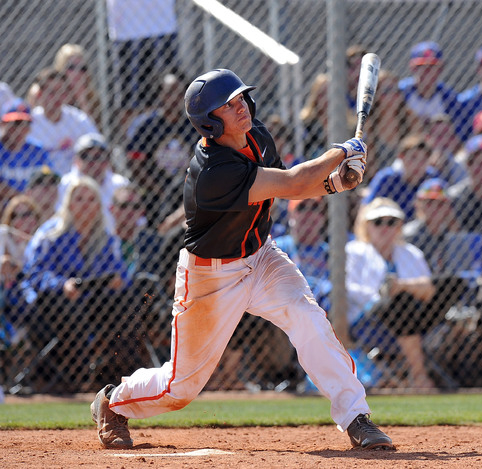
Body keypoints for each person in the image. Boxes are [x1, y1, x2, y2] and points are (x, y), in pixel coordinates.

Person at [89, 69, 393, 451]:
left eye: (240, 100)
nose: (241, 108)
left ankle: (356, 419)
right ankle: (113, 402)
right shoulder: (213, 171)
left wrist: (337, 182)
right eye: (228, 106)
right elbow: (295, 182)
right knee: (181, 386)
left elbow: (285, 184)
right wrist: (341, 152)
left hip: (262, 257)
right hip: (211, 277)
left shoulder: (256, 136)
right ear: (209, 123)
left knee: (308, 319)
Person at [20, 176, 127, 392]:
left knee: (128, 300)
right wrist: (62, 285)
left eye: (91, 200)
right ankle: (74, 376)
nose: (85, 205)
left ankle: (118, 373)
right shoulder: (50, 234)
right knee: (70, 307)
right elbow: (33, 274)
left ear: (98, 206)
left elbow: (120, 272)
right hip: (49, 303)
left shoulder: (103, 237)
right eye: (79, 199)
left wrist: (119, 281)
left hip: (91, 302)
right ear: (68, 203)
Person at [346, 197, 436, 388]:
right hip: (368, 319)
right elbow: (350, 290)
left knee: (450, 285)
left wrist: (401, 286)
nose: (384, 228)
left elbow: (429, 288)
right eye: (378, 222)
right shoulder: (354, 251)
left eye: (391, 222)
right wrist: (384, 295)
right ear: (367, 226)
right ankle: (419, 375)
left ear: (399, 226)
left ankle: (415, 375)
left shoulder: (411, 253)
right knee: (401, 303)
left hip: (415, 314)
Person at [124, 71, 193, 232]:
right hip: (154, 196)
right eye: (169, 92)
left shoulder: (193, 126)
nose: (174, 98)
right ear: (160, 95)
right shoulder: (147, 126)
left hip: (189, 195)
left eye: (179, 93)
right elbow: (135, 164)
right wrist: (161, 191)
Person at [27, 67, 98, 176]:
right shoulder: (30, 123)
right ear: (40, 94)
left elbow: (97, 146)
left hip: (76, 181)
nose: (57, 97)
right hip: (44, 183)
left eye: (61, 92)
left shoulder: (78, 119)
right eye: (52, 92)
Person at [58, 133, 129, 233]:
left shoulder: (120, 184)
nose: (93, 162)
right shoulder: (66, 184)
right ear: (76, 160)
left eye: (98, 156)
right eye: (85, 156)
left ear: (107, 160)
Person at [361, 134, 439, 220]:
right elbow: (365, 208)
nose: (418, 165)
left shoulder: (432, 179)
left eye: (423, 159)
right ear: (401, 157)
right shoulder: (387, 178)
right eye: (413, 157)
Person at [398, 41, 459, 134]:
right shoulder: (402, 91)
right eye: (421, 66)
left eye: (432, 66)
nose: (426, 70)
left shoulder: (448, 97)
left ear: (440, 69)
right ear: (412, 68)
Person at [0, 101, 51, 209]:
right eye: (15, 123)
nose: (19, 130)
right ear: (3, 124)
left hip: (33, 208)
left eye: (25, 124)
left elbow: (50, 179)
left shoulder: (37, 150)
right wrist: (22, 197)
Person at [53, 43, 103, 128]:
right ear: (61, 69)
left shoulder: (93, 99)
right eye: (71, 67)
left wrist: (82, 101)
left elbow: (93, 131)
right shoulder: (51, 94)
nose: (77, 73)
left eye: (82, 68)